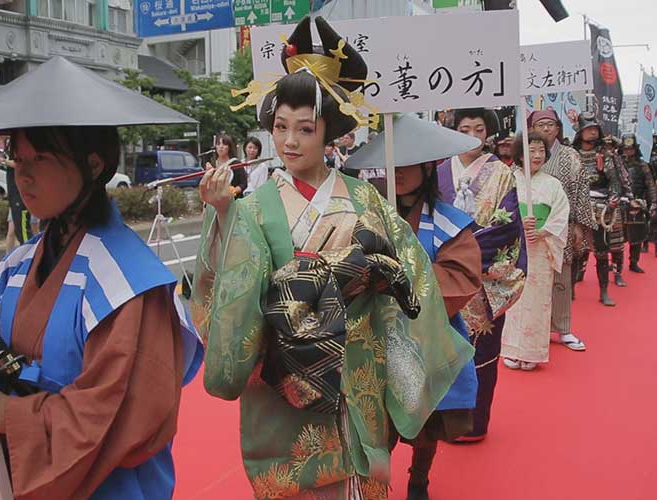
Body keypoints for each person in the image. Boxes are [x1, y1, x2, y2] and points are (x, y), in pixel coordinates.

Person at [193, 17, 473, 499]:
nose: (290, 142)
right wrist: (223, 217)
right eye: (281, 127)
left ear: (329, 133)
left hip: (357, 365)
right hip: (284, 370)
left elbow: (412, 275)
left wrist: (379, 280)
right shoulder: (252, 207)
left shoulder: (366, 199)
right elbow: (223, 298)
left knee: (357, 481)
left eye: (305, 129)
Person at [0, 56, 202, 499]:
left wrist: (14, 418)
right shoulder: (20, 263)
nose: (22, 173)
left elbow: (121, 415)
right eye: (16, 158)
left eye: (40, 157)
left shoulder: (129, 281)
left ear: (93, 165)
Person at [345, 114, 482, 500]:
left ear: (427, 167)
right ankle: (374, 484)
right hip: (372, 335)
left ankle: (419, 477)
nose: (398, 173)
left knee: (426, 420)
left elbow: (462, 277)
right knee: (374, 419)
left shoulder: (449, 224)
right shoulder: (363, 215)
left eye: (408, 164)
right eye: (392, 164)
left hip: (427, 336)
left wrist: (400, 282)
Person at [437, 107, 527, 441]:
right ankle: (440, 422)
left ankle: (474, 422)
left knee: (481, 352)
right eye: (464, 128)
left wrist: (464, 253)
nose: (472, 135)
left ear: (488, 133)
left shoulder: (502, 174)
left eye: (478, 128)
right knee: (441, 350)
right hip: (441, 275)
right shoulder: (438, 170)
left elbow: (508, 228)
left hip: (481, 278)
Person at [502, 133, 569, 371]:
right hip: (513, 247)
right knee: (513, 297)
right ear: (520, 153)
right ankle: (510, 348)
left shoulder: (553, 184)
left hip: (540, 248)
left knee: (537, 299)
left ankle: (532, 352)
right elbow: (496, 210)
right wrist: (517, 222)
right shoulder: (507, 179)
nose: (538, 155)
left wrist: (543, 231)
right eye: (532, 150)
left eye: (541, 150)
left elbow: (561, 214)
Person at [528, 109, 593, 351]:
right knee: (532, 278)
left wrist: (577, 224)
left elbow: (580, 190)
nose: (546, 129)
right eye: (540, 125)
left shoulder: (570, 156)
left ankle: (563, 328)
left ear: (558, 127)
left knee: (561, 276)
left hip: (559, 224)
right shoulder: (525, 154)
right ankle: (534, 328)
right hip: (532, 226)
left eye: (550, 124)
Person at [572, 113, 632, 306]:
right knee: (575, 250)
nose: (592, 131)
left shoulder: (605, 154)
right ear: (580, 132)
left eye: (594, 129)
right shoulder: (571, 154)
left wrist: (614, 198)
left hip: (600, 208)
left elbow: (614, 181)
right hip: (577, 206)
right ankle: (570, 288)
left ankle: (604, 291)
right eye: (588, 128)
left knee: (601, 250)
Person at [619, 134, 656, 273]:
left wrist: (653, 203)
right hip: (620, 203)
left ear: (635, 149)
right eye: (626, 149)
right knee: (617, 237)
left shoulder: (643, 166)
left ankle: (633, 262)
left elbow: (650, 185)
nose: (628, 151)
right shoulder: (617, 164)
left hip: (638, 204)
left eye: (630, 149)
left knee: (637, 236)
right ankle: (616, 264)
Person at [212, 133, 247, 199]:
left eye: (224, 144)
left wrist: (233, 191)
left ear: (229, 147)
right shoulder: (213, 164)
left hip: (234, 201)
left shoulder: (236, 163)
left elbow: (243, 184)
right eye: (218, 144)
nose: (221, 147)